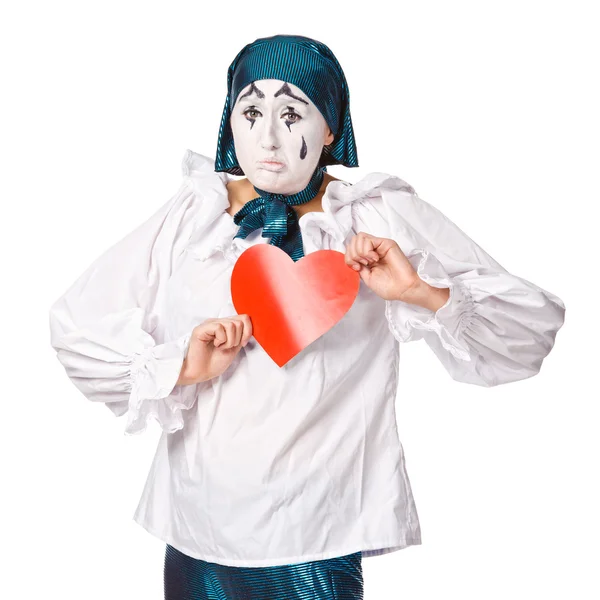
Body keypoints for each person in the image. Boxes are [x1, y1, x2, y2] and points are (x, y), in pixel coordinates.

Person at [48, 34, 566, 600]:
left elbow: (526, 336)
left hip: (314, 535)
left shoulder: (374, 215)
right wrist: (181, 367)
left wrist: (420, 292)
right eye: (251, 110)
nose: (268, 136)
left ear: (331, 126)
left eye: (292, 112)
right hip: (197, 529)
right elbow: (78, 324)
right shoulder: (195, 214)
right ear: (229, 120)